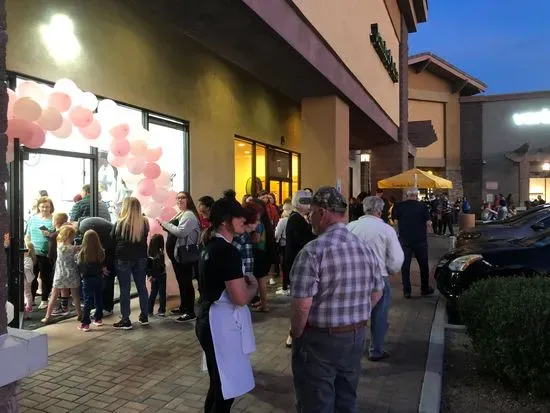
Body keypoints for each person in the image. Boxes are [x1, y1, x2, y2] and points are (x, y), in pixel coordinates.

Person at [290, 187, 383, 413]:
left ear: (322, 213)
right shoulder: (364, 248)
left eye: (312, 212)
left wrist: (297, 333)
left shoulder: (313, 251)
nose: (309, 217)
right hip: (355, 335)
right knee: (346, 398)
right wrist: (357, 315)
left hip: (319, 340)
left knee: (316, 402)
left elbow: (302, 305)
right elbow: (377, 291)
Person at [196, 197, 258, 412]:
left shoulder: (210, 245)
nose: (243, 220)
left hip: (209, 319)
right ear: (224, 221)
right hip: (219, 323)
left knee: (218, 384)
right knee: (225, 389)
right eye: (238, 216)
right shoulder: (226, 251)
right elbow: (239, 298)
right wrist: (253, 287)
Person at [347, 196, 404, 361]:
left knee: (353, 313)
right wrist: (390, 270)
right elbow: (396, 258)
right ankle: (375, 349)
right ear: (380, 211)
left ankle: (352, 347)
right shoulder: (386, 230)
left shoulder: (350, 227)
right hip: (379, 275)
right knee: (379, 315)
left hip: (354, 276)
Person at [159, 191, 200, 323]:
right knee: (181, 281)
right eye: (177, 198)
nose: (179, 200)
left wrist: (165, 224)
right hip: (177, 256)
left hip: (184, 255)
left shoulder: (189, 215)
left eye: (182, 197)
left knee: (186, 282)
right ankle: (184, 307)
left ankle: (190, 311)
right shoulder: (181, 213)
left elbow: (181, 232)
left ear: (189, 199)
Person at [111, 197, 150, 329]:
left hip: (123, 258)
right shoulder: (144, 222)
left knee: (125, 289)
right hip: (141, 257)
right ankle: (144, 316)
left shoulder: (120, 223)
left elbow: (113, 238)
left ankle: (126, 319)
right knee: (142, 287)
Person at [392, 188, 434, 298]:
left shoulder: (399, 206)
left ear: (407, 195)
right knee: (423, 265)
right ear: (416, 195)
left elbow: (395, 223)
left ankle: (407, 291)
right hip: (420, 240)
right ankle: (424, 288)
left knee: (405, 266)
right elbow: (429, 223)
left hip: (405, 240)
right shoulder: (423, 206)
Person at [42, 226, 82, 324]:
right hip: (72, 273)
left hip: (60, 274)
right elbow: (80, 250)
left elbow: (57, 235)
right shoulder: (73, 248)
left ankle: (47, 316)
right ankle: (79, 314)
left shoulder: (59, 245)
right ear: (70, 236)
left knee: (54, 295)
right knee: (75, 295)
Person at [79, 216, 115, 317]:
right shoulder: (85, 223)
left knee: (107, 277)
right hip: (111, 243)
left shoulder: (84, 228)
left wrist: (104, 265)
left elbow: (95, 247)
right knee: (105, 279)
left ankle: (106, 307)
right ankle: (102, 307)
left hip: (111, 246)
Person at [25, 196, 55, 309]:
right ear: (38, 207)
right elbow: (27, 235)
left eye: (47, 207)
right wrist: (28, 247)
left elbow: (58, 236)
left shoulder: (53, 219)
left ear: (51, 207)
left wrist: (49, 234)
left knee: (45, 277)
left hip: (46, 253)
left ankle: (44, 299)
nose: (44, 209)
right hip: (32, 252)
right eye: (42, 206)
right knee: (31, 277)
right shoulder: (33, 219)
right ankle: (31, 299)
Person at [250, 198, 277, 312]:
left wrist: (247, 238)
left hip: (259, 253)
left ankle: (264, 305)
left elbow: (256, 240)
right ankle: (263, 301)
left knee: (260, 280)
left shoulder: (258, 224)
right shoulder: (265, 221)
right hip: (264, 252)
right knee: (261, 280)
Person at [77, 229, 106, 332]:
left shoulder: (82, 253)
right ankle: (98, 318)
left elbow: (80, 268)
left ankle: (85, 323)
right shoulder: (101, 252)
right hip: (98, 278)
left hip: (87, 279)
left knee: (87, 300)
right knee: (99, 297)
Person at [47, 212, 70, 315]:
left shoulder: (55, 235)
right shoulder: (67, 232)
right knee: (64, 285)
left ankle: (55, 308)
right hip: (65, 263)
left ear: (56, 221)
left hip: (58, 262)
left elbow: (52, 251)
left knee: (56, 286)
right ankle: (65, 307)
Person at [147, 234, 167, 317]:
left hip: (153, 276)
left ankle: (149, 311)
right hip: (161, 275)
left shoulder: (149, 254)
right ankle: (162, 310)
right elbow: (161, 267)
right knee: (162, 293)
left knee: (153, 293)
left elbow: (148, 267)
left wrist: (150, 276)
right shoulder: (161, 253)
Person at [23, 242, 37, 317]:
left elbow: (26, 268)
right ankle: (27, 305)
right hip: (25, 278)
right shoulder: (26, 258)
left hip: (27, 279)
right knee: (25, 293)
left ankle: (29, 307)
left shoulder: (28, 259)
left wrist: (20, 265)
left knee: (27, 293)